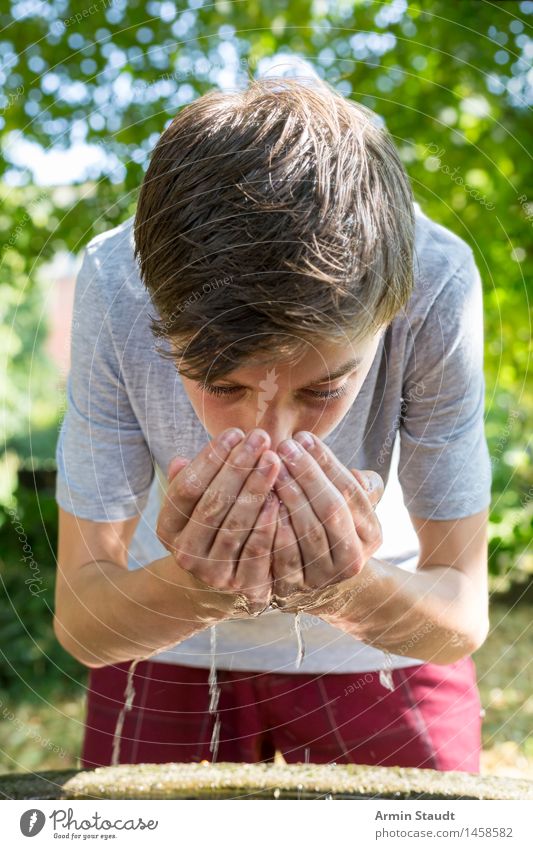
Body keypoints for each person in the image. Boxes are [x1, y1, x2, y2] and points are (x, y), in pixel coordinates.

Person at [54, 75, 491, 774]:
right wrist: (197, 589)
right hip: (163, 640)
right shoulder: (115, 282)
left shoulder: (436, 279)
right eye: (221, 383)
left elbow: (463, 613)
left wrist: (341, 589)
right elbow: (81, 618)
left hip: (383, 642)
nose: (274, 439)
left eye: (323, 386)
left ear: (388, 317)